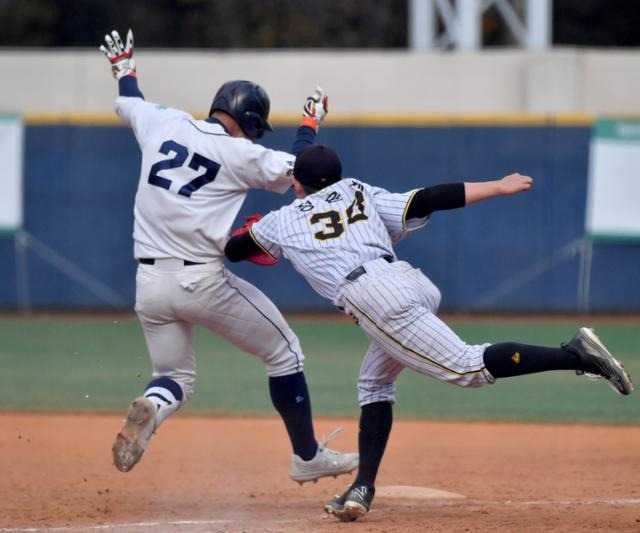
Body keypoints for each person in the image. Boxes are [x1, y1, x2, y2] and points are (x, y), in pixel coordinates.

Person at [224, 143, 634, 521]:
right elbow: (426, 199)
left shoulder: (281, 221)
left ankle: (577, 354)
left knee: (468, 367)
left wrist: (252, 229)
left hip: (372, 297)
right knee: (374, 382)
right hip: (409, 281)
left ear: (299, 182)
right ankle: (361, 487)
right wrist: (496, 186)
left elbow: (234, 250)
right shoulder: (356, 189)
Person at [99, 30, 358, 483]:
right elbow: (304, 167)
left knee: (175, 376)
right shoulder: (240, 152)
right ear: (250, 122)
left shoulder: (163, 121)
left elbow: (130, 101)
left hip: (148, 285)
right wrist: (309, 124)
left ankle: (152, 408)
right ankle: (306, 456)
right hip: (200, 281)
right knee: (285, 352)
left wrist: (125, 68)